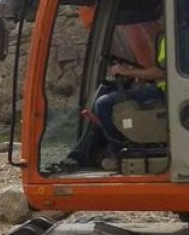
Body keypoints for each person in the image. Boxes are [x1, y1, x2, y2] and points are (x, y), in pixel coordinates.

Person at [60, 35, 167, 171]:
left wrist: (127, 71)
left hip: (164, 93)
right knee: (109, 95)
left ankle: (118, 154)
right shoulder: (174, 33)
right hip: (163, 88)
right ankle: (85, 151)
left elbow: (163, 73)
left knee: (104, 104)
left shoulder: (173, 35)